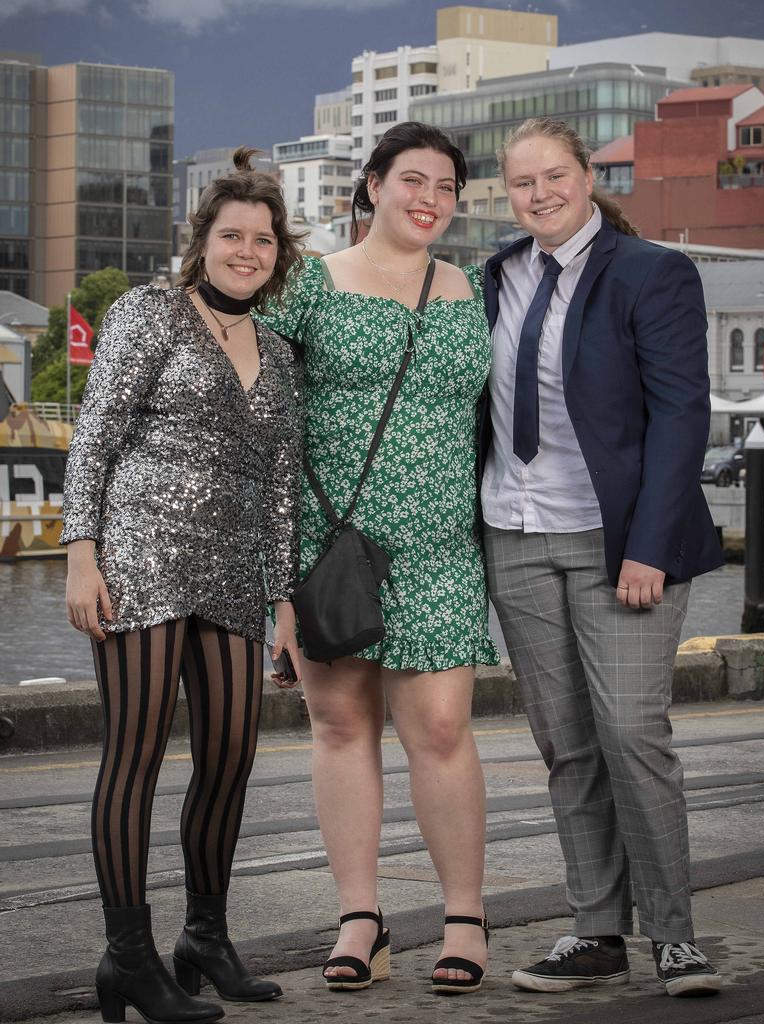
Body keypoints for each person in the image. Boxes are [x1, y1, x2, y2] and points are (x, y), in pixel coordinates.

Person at [481, 116, 724, 998]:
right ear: (504, 193)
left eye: (554, 175)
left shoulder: (653, 272)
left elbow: (680, 418)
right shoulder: (495, 276)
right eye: (521, 183)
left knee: (632, 734)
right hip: (515, 537)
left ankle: (676, 936)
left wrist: (650, 545)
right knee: (569, 747)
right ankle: (596, 933)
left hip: (618, 543)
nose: (539, 194)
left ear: (586, 176)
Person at [62, 148, 304, 1024]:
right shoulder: (149, 313)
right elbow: (94, 434)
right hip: (141, 555)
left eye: (263, 240)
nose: (247, 250)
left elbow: (280, 486)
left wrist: (283, 603)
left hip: (237, 570)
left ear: (280, 254)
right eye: (232, 235)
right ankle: (128, 959)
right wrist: (80, 550)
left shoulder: (278, 354)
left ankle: (205, 938)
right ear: (202, 242)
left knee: (231, 758)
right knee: (134, 756)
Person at [261, 122, 497, 995]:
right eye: (411, 180)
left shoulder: (473, 289)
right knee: (341, 726)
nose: (429, 198)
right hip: (332, 549)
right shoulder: (309, 285)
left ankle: (465, 915)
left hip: (440, 548)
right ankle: (360, 914)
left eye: (445, 186)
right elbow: (267, 427)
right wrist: (276, 586)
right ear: (370, 185)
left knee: (439, 730)